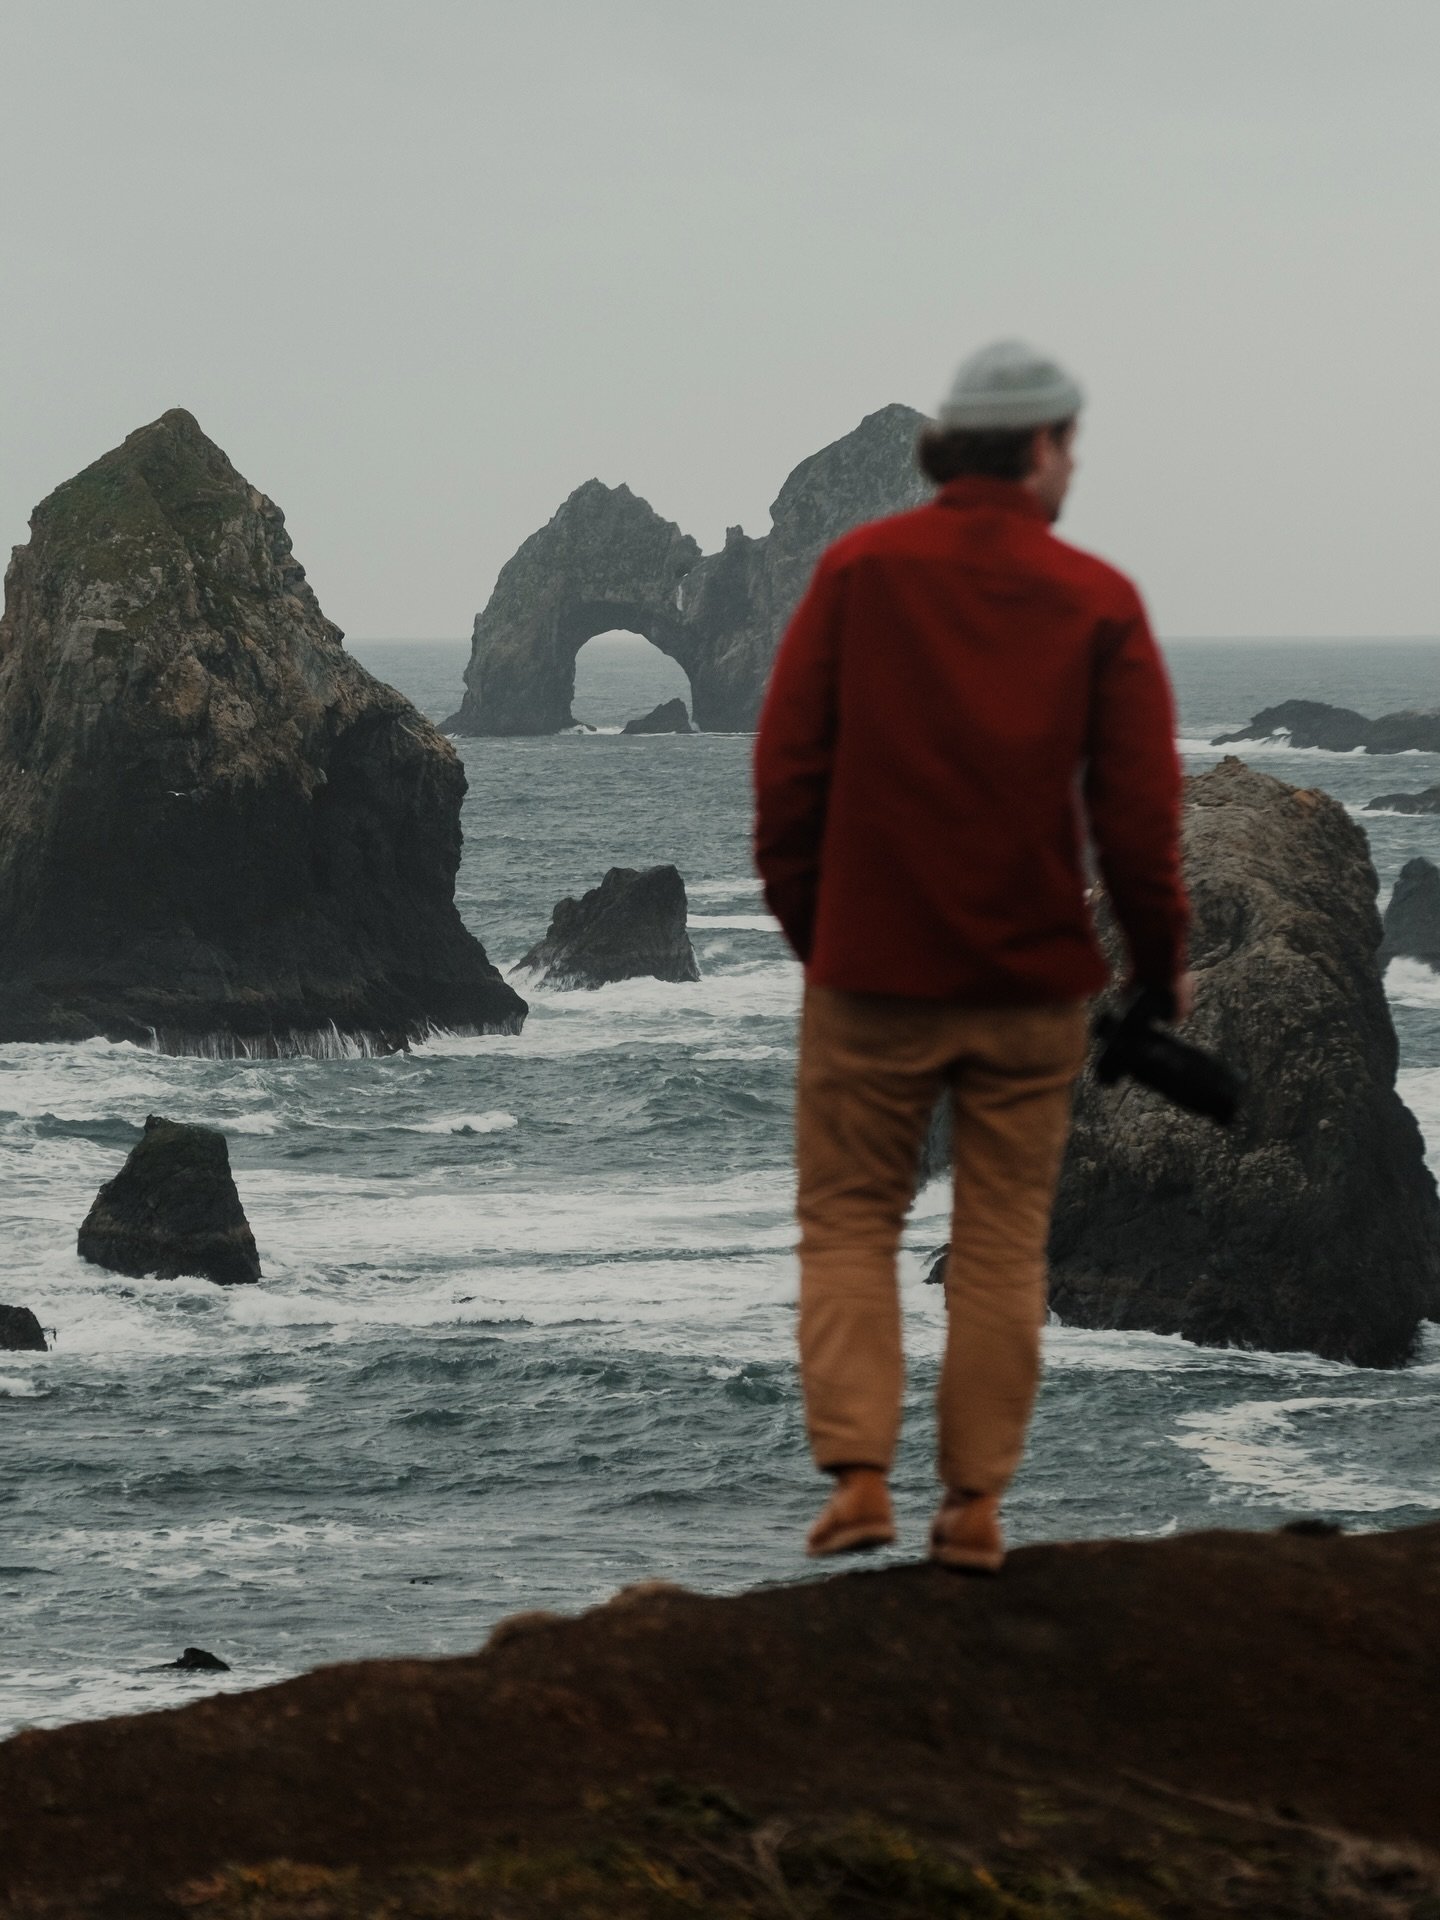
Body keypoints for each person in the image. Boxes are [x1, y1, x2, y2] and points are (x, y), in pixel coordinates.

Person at [753, 340, 1191, 1572]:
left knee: (848, 1224)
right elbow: (1139, 819)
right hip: (1030, 983)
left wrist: (814, 934)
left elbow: (786, 783)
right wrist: (1160, 966)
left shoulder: (855, 574)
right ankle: (975, 1508)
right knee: (1001, 1242)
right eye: (1071, 446)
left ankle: (856, 1482)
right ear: (1042, 447)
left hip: (871, 973)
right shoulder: (1095, 598)